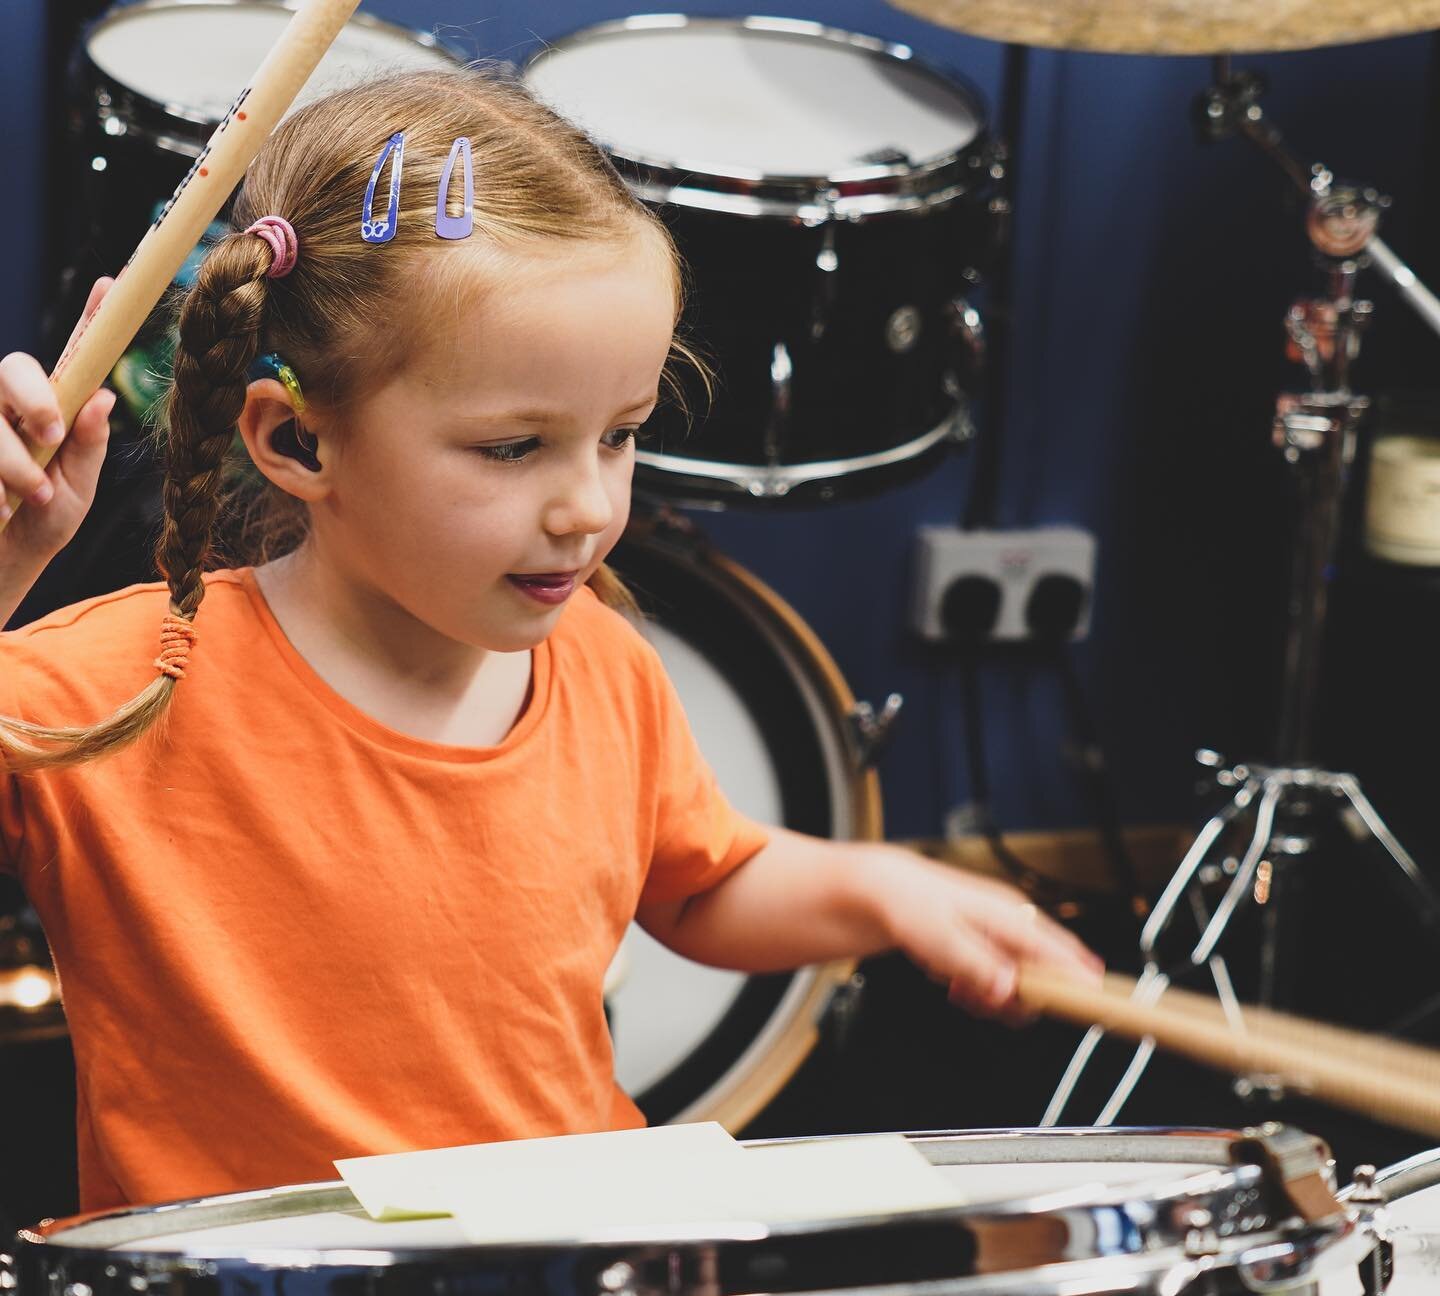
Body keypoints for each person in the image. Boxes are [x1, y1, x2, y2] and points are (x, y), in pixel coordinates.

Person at [0, 70, 1100, 1214]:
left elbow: (700, 886)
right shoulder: (114, 688)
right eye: (514, 447)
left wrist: (882, 892)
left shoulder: (603, 666)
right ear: (299, 443)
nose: (588, 508)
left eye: (618, 437)